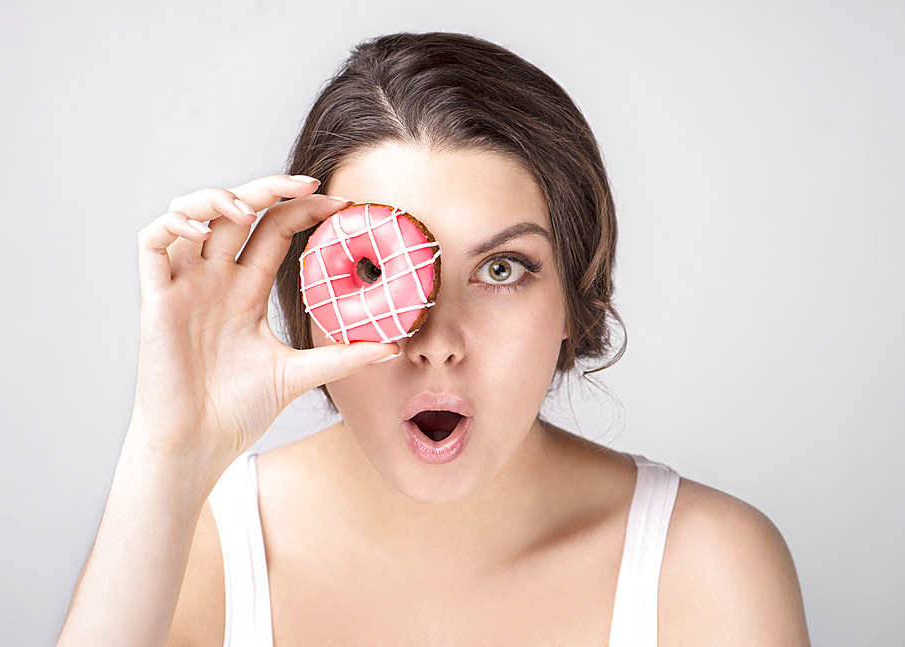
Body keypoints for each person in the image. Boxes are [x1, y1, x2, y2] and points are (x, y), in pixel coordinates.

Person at [57, 32, 811, 646]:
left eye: (503, 267)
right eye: (375, 268)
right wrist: (168, 451)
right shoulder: (199, 553)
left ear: (574, 300)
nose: (438, 341)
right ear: (307, 297)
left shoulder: (708, 566)